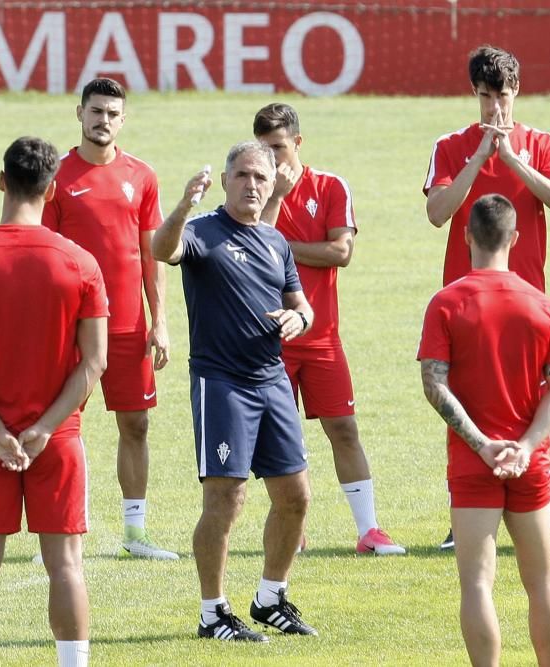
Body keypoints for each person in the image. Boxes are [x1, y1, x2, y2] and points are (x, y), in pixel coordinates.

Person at [0, 136, 108, 667]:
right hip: (57, 440)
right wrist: (45, 427)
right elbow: (94, 363)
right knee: (65, 566)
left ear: (1, 180)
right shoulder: (80, 264)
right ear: (52, 188)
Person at [151, 141, 318, 642]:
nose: (251, 185)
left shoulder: (275, 241)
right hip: (221, 382)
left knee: (296, 496)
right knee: (227, 496)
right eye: (242, 175)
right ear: (226, 181)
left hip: (272, 381)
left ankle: (271, 597)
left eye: (260, 179)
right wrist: (183, 206)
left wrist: (299, 318)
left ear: (272, 186)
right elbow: (162, 250)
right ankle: (212, 612)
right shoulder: (202, 232)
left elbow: (302, 305)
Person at [423, 45, 550, 550]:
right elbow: (438, 212)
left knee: (536, 401)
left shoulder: (542, 142)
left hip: (529, 307)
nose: (493, 108)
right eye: (485, 96)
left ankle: (532, 501)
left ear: (517, 93)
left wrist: (510, 158)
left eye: (502, 96)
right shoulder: (451, 145)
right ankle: (462, 516)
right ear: (475, 94)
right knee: (462, 402)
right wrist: (479, 159)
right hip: (465, 307)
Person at [418, 194, 550, 667]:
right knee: (542, 581)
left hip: (473, 461)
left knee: (477, 583)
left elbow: (434, 384)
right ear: (515, 238)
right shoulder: (543, 306)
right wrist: (525, 446)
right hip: (531, 462)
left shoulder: (445, 303)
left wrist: (485, 445)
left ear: (466, 237)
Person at [254, 102, 404, 555]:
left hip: (321, 339)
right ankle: (291, 526)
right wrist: (275, 198)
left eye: (278, 147)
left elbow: (341, 252)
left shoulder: (331, 186)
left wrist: (282, 247)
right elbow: (255, 246)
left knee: (343, 429)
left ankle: (369, 530)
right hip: (271, 339)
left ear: (297, 142)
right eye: (264, 149)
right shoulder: (254, 188)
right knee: (277, 438)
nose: (272, 159)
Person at [42, 77, 176, 560]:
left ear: (124, 119)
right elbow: (44, 256)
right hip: (72, 327)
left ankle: (135, 533)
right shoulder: (55, 175)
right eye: (95, 111)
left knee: (136, 425)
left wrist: (159, 320)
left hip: (127, 326)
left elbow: (150, 253)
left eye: (112, 114)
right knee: (62, 426)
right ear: (78, 113)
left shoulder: (142, 175)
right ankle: (58, 531)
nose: (103, 120)